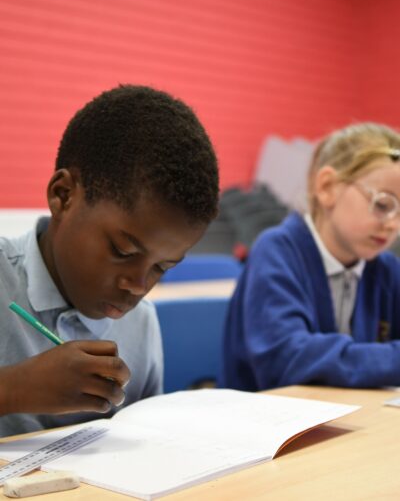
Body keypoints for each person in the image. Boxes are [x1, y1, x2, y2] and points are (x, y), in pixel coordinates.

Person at [0, 84, 219, 436]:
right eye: (122, 251)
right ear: (63, 196)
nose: (139, 286)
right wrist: (12, 389)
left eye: (161, 268)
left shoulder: (141, 322)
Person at [220, 122, 400, 391]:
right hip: (266, 413)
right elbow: (286, 361)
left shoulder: (386, 268)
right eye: (383, 205)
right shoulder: (276, 251)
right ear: (327, 187)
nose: (393, 224)